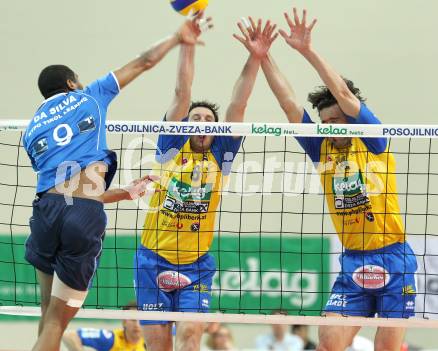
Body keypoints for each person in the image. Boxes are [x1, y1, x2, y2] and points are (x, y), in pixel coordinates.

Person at [23, 14, 207, 351]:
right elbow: (144, 61)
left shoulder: (30, 130)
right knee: (57, 321)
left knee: (46, 311)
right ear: (70, 83)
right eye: (76, 81)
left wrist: (122, 193)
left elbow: (64, 190)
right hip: (82, 215)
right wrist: (177, 37)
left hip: (45, 211)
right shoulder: (87, 97)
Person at [259, 7, 417, 351]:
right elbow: (289, 106)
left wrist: (306, 51)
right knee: (329, 341)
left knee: (387, 348)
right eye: (325, 123)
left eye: (336, 120)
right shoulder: (322, 148)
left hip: (393, 257)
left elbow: (346, 96)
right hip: (354, 261)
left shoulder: (372, 139)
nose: (331, 128)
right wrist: (264, 57)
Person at [134, 17, 278, 351]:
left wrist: (255, 57)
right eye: (195, 118)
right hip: (152, 259)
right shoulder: (171, 148)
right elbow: (182, 93)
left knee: (189, 336)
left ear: (216, 130)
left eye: (209, 120)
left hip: (196, 263)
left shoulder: (221, 155)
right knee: (158, 346)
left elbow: (238, 104)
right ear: (185, 123)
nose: (202, 122)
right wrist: (187, 46)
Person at [62, 301, 145, 351]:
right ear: (124, 322)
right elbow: (70, 335)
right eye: (133, 320)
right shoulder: (110, 339)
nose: (137, 324)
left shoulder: (149, 343)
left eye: (140, 320)